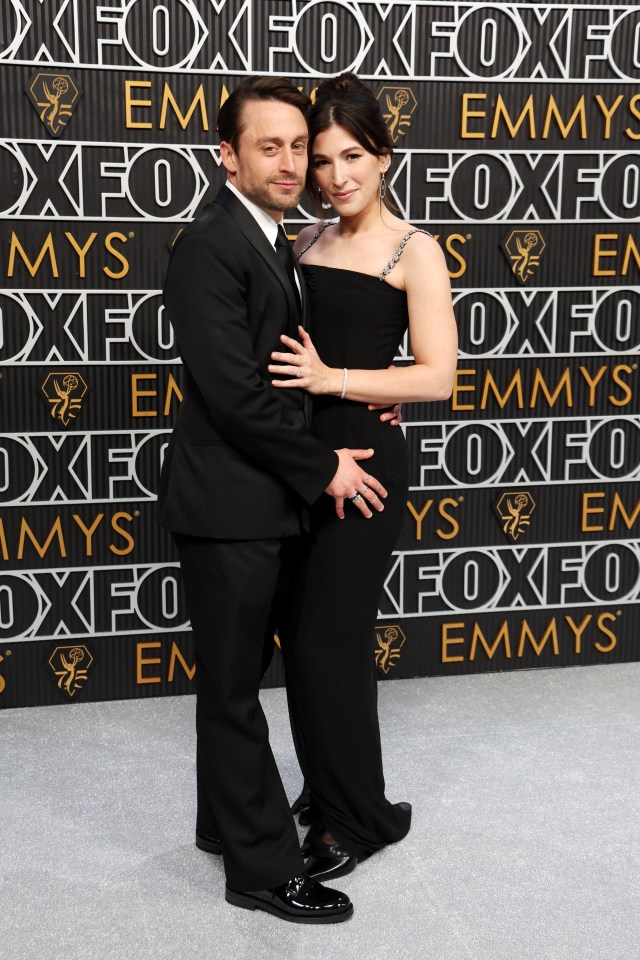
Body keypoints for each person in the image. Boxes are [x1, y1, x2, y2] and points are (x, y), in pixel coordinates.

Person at [157, 75, 399, 924]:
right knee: (231, 693)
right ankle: (263, 869)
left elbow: (298, 358)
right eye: (271, 145)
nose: (293, 161)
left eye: (301, 145)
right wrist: (323, 465)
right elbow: (234, 395)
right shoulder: (211, 244)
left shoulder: (275, 239)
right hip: (229, 508)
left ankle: (225, 824)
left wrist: (377, 386)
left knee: (231, 683)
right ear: (228, 155)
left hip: (262, 506)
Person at [268, 73, 458, 882]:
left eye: (352, 156)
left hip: (367, 468)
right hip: (298, 463)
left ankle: (358, 818)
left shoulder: (415, 251)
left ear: (384, 157)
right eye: (321, 160)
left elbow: (437, 378)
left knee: (329, 642)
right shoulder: (301, 242)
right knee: (299, 637)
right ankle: (327, 782)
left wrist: (337, 381)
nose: (335, 175)